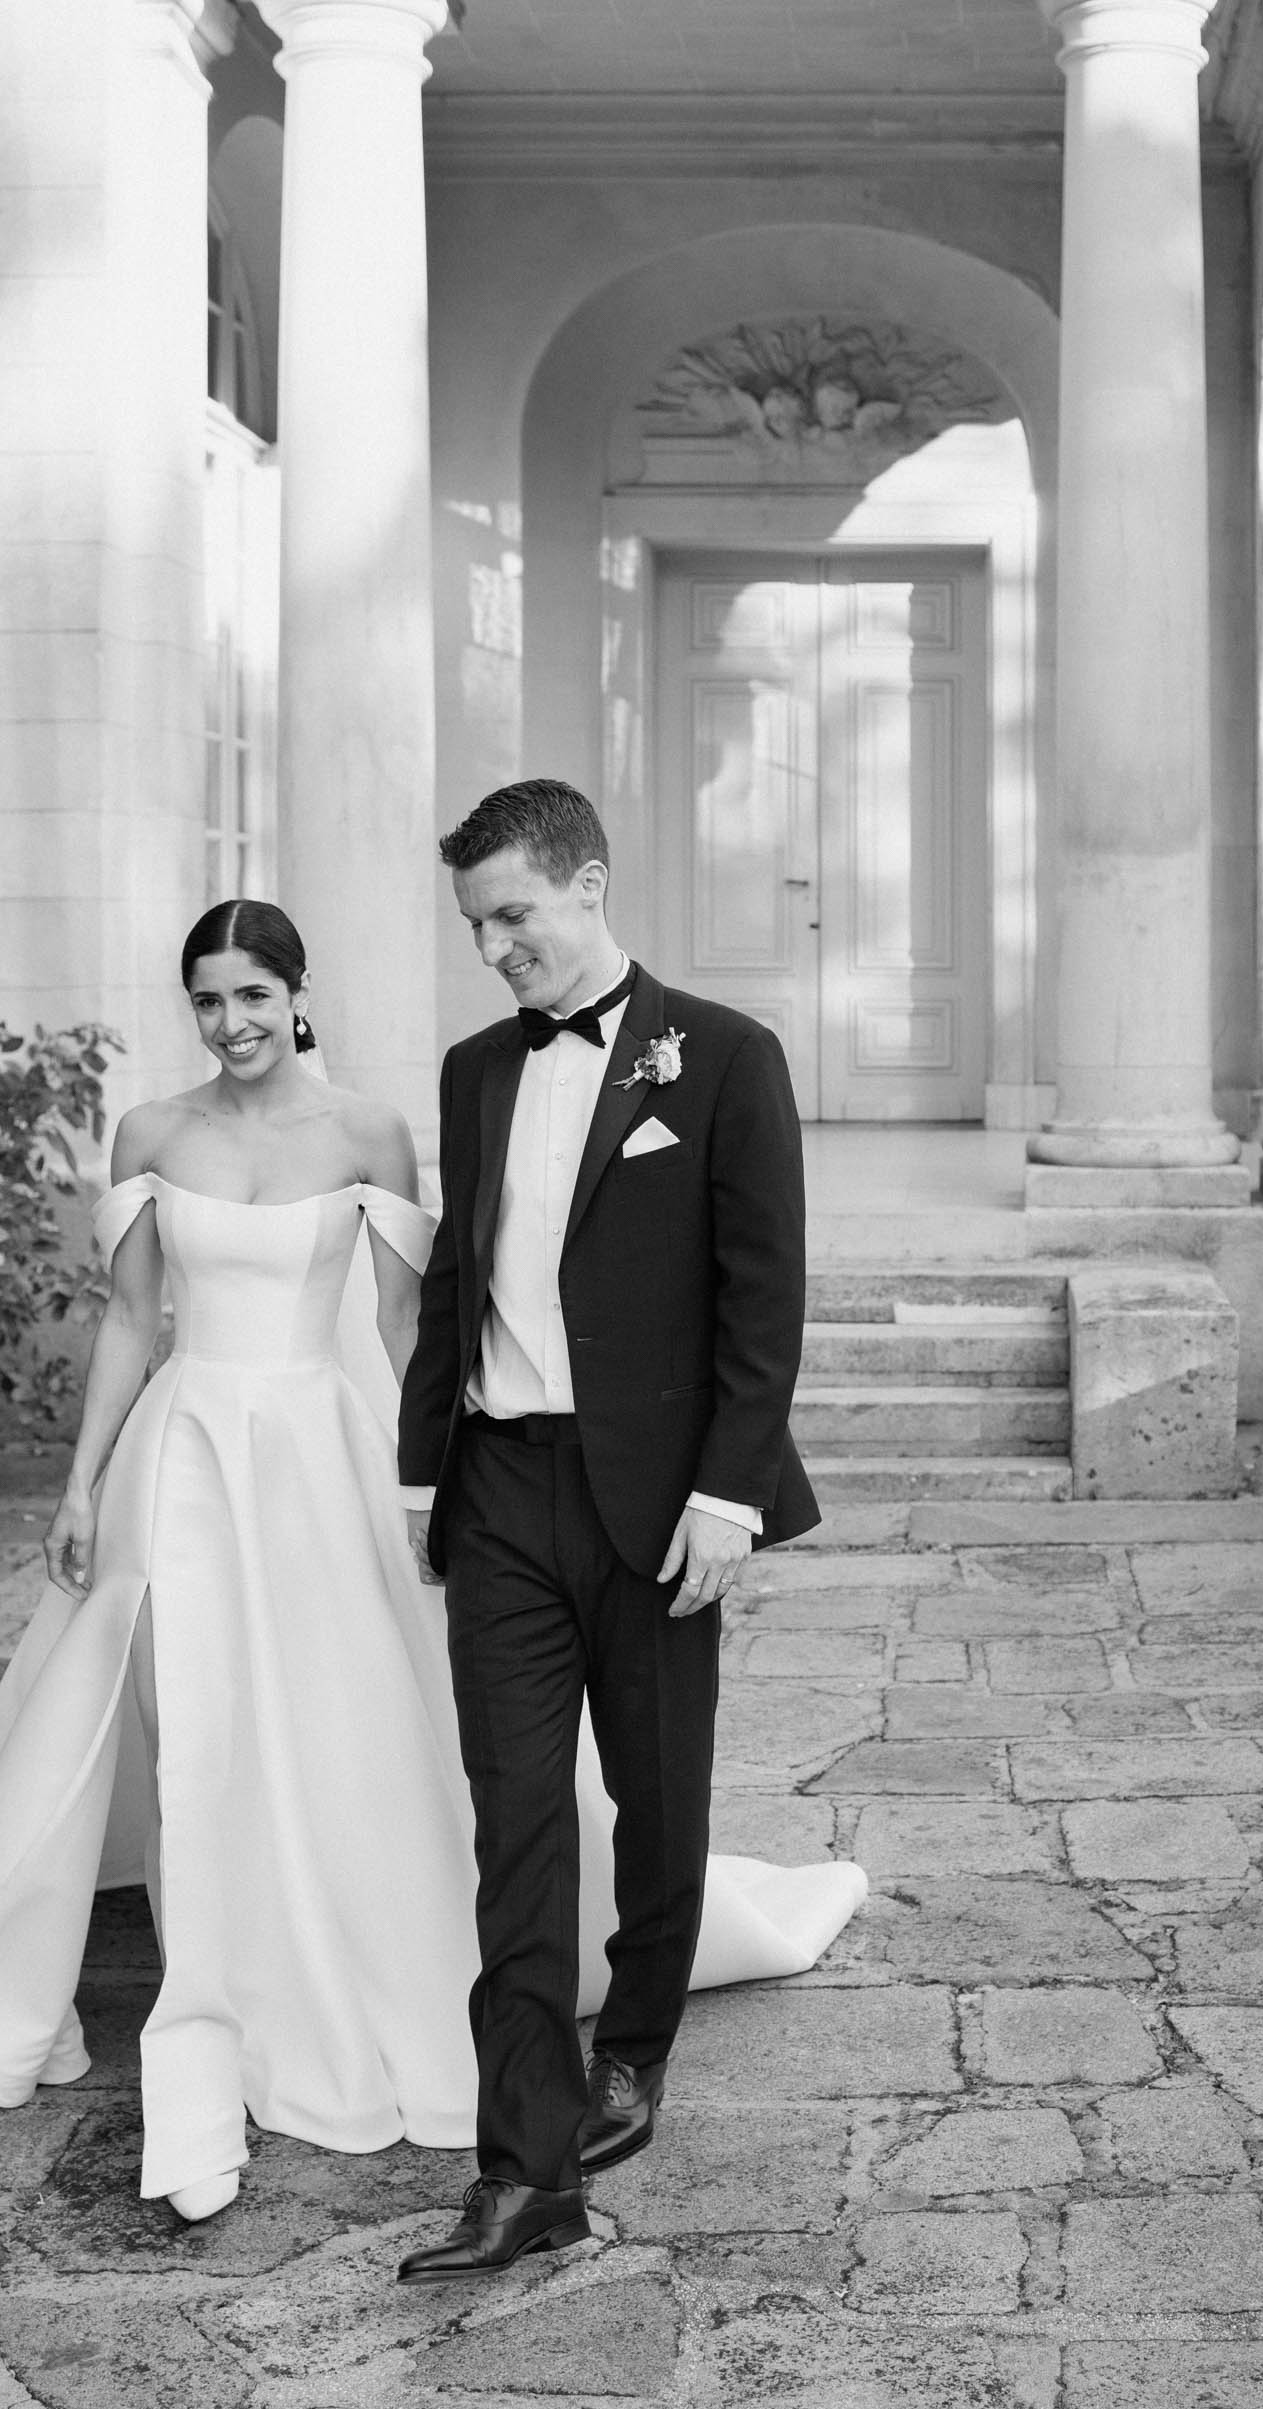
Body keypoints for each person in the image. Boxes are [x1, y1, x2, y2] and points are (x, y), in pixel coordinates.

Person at [0, 898, 865, 2228]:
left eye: (250, 996)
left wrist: (450, 1483)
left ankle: (344, 1948)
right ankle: (208, 1966)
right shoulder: (151, 1134)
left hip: (321, 1455)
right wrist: (81, 1481)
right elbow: (127, 1318)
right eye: (206, 1000)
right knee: (189, 1716)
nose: (229, 1023)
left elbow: (414, 1327)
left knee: (343, 1715)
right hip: (187, 1452)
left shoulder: (372, 1130)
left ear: (296, 992)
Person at [397, 779, 826, 2283]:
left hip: (658, 1500)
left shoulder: (720, 1056)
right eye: (476, 924)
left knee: (657, 1798)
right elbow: (458, 1285)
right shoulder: (469, 1072)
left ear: (586, 883)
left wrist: (730, 1494)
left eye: (515, 912)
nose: (495, 945)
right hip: (500, 1489)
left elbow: (762, 1301)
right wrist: (415, 1478)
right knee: (514, 1825)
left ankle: (635, 2041)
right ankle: (521, 2170)